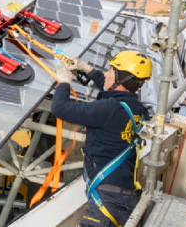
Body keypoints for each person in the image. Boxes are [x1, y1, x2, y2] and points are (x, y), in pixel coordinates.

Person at [52, 51, 152, 227]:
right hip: (123, 193)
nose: (105, 74)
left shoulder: (107, 109)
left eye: (110, 71)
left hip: (107, 201)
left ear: (121, 78)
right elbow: (114, 91)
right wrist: (87, 69)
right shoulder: (136, 108)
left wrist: (64, 83)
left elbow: (60, 108)